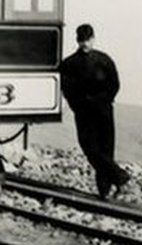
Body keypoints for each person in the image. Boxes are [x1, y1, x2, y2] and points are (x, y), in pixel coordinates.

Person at [59, 24, 131, 199]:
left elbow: (114, 85)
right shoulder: (69, 64)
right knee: (90, 148)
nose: (85, 43)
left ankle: (104, 191)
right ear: (77, 40)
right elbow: (66, 89)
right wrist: (78, 106)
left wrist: (101, 101)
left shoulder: (104, 60)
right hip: (83, 113)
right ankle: (120, 177)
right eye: (81, 40)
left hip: (104, 111)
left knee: (106, 149)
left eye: (87, 40)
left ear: (93, 39)